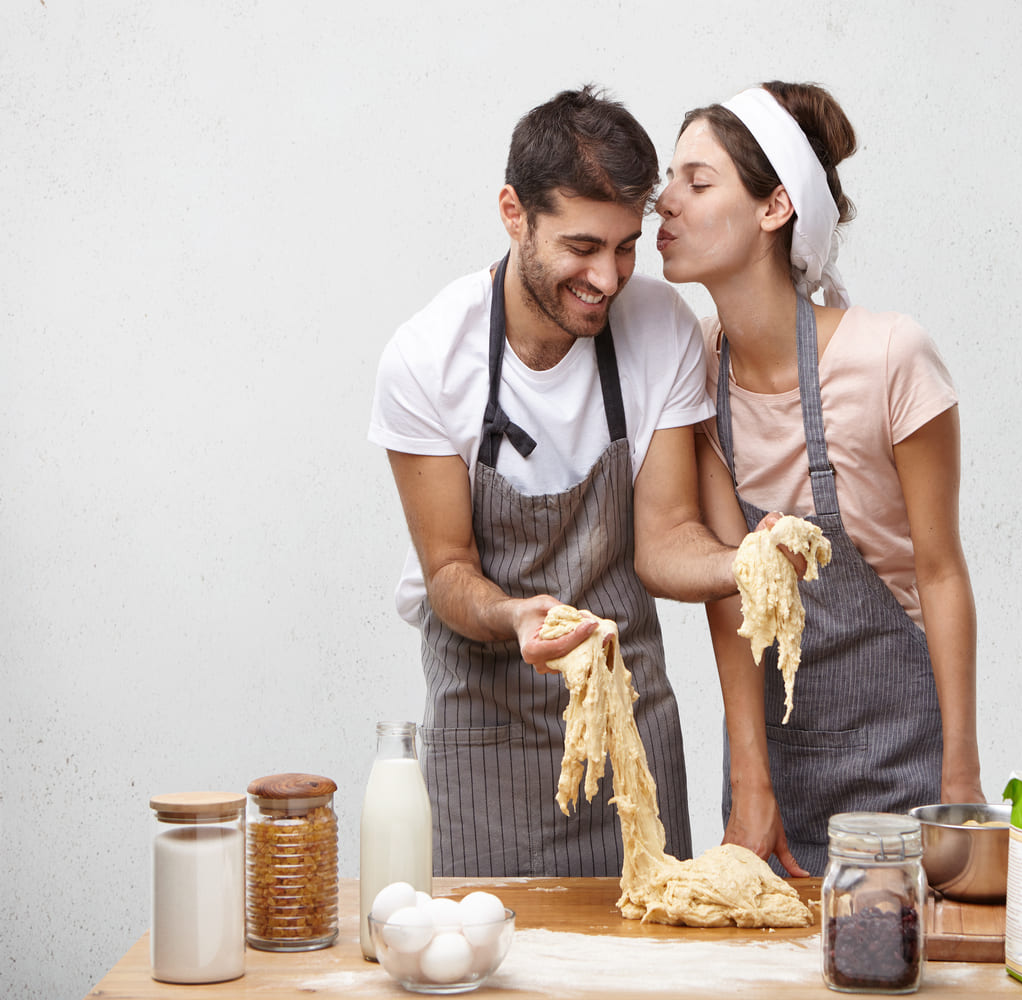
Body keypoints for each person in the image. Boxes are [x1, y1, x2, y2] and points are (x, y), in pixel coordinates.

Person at [368, 86, 748, 878]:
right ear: (514, 213)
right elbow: (446, 571)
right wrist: (511, 616)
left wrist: (740, 563)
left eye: (625, 246)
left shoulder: (659, 330)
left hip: (631, 742)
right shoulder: (429, 359)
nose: (608, 279)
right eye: (582, 247)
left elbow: (667, 538)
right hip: (488, 738)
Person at [654, 81, 986, 877]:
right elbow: (731, 590)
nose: (662, 202)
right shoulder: (694, 365)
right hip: (779, 774)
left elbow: (940, 574)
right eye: (670, 179)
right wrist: (749, 782)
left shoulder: (890, 357)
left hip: (909, 770)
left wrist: (962, 784)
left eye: (697, 183)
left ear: (776, 208)